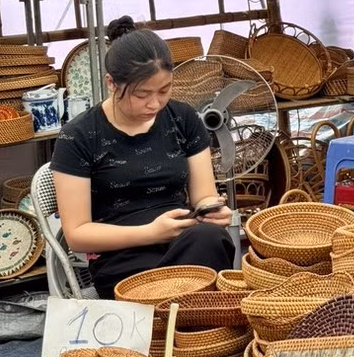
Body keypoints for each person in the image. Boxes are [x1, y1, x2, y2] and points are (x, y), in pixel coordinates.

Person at [51, 16, 235, 299]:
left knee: (210, 237)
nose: (155, 103)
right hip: (122, 259)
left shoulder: (183, 119)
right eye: (141, 94)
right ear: (111, 83)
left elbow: (203, 196)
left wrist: (211, 210)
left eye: (164, 90)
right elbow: (77, 234)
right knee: (193, 275)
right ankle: (191, 316)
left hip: (184, 243)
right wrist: (151, 232)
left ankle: (185, 315)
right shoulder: (79, 136)